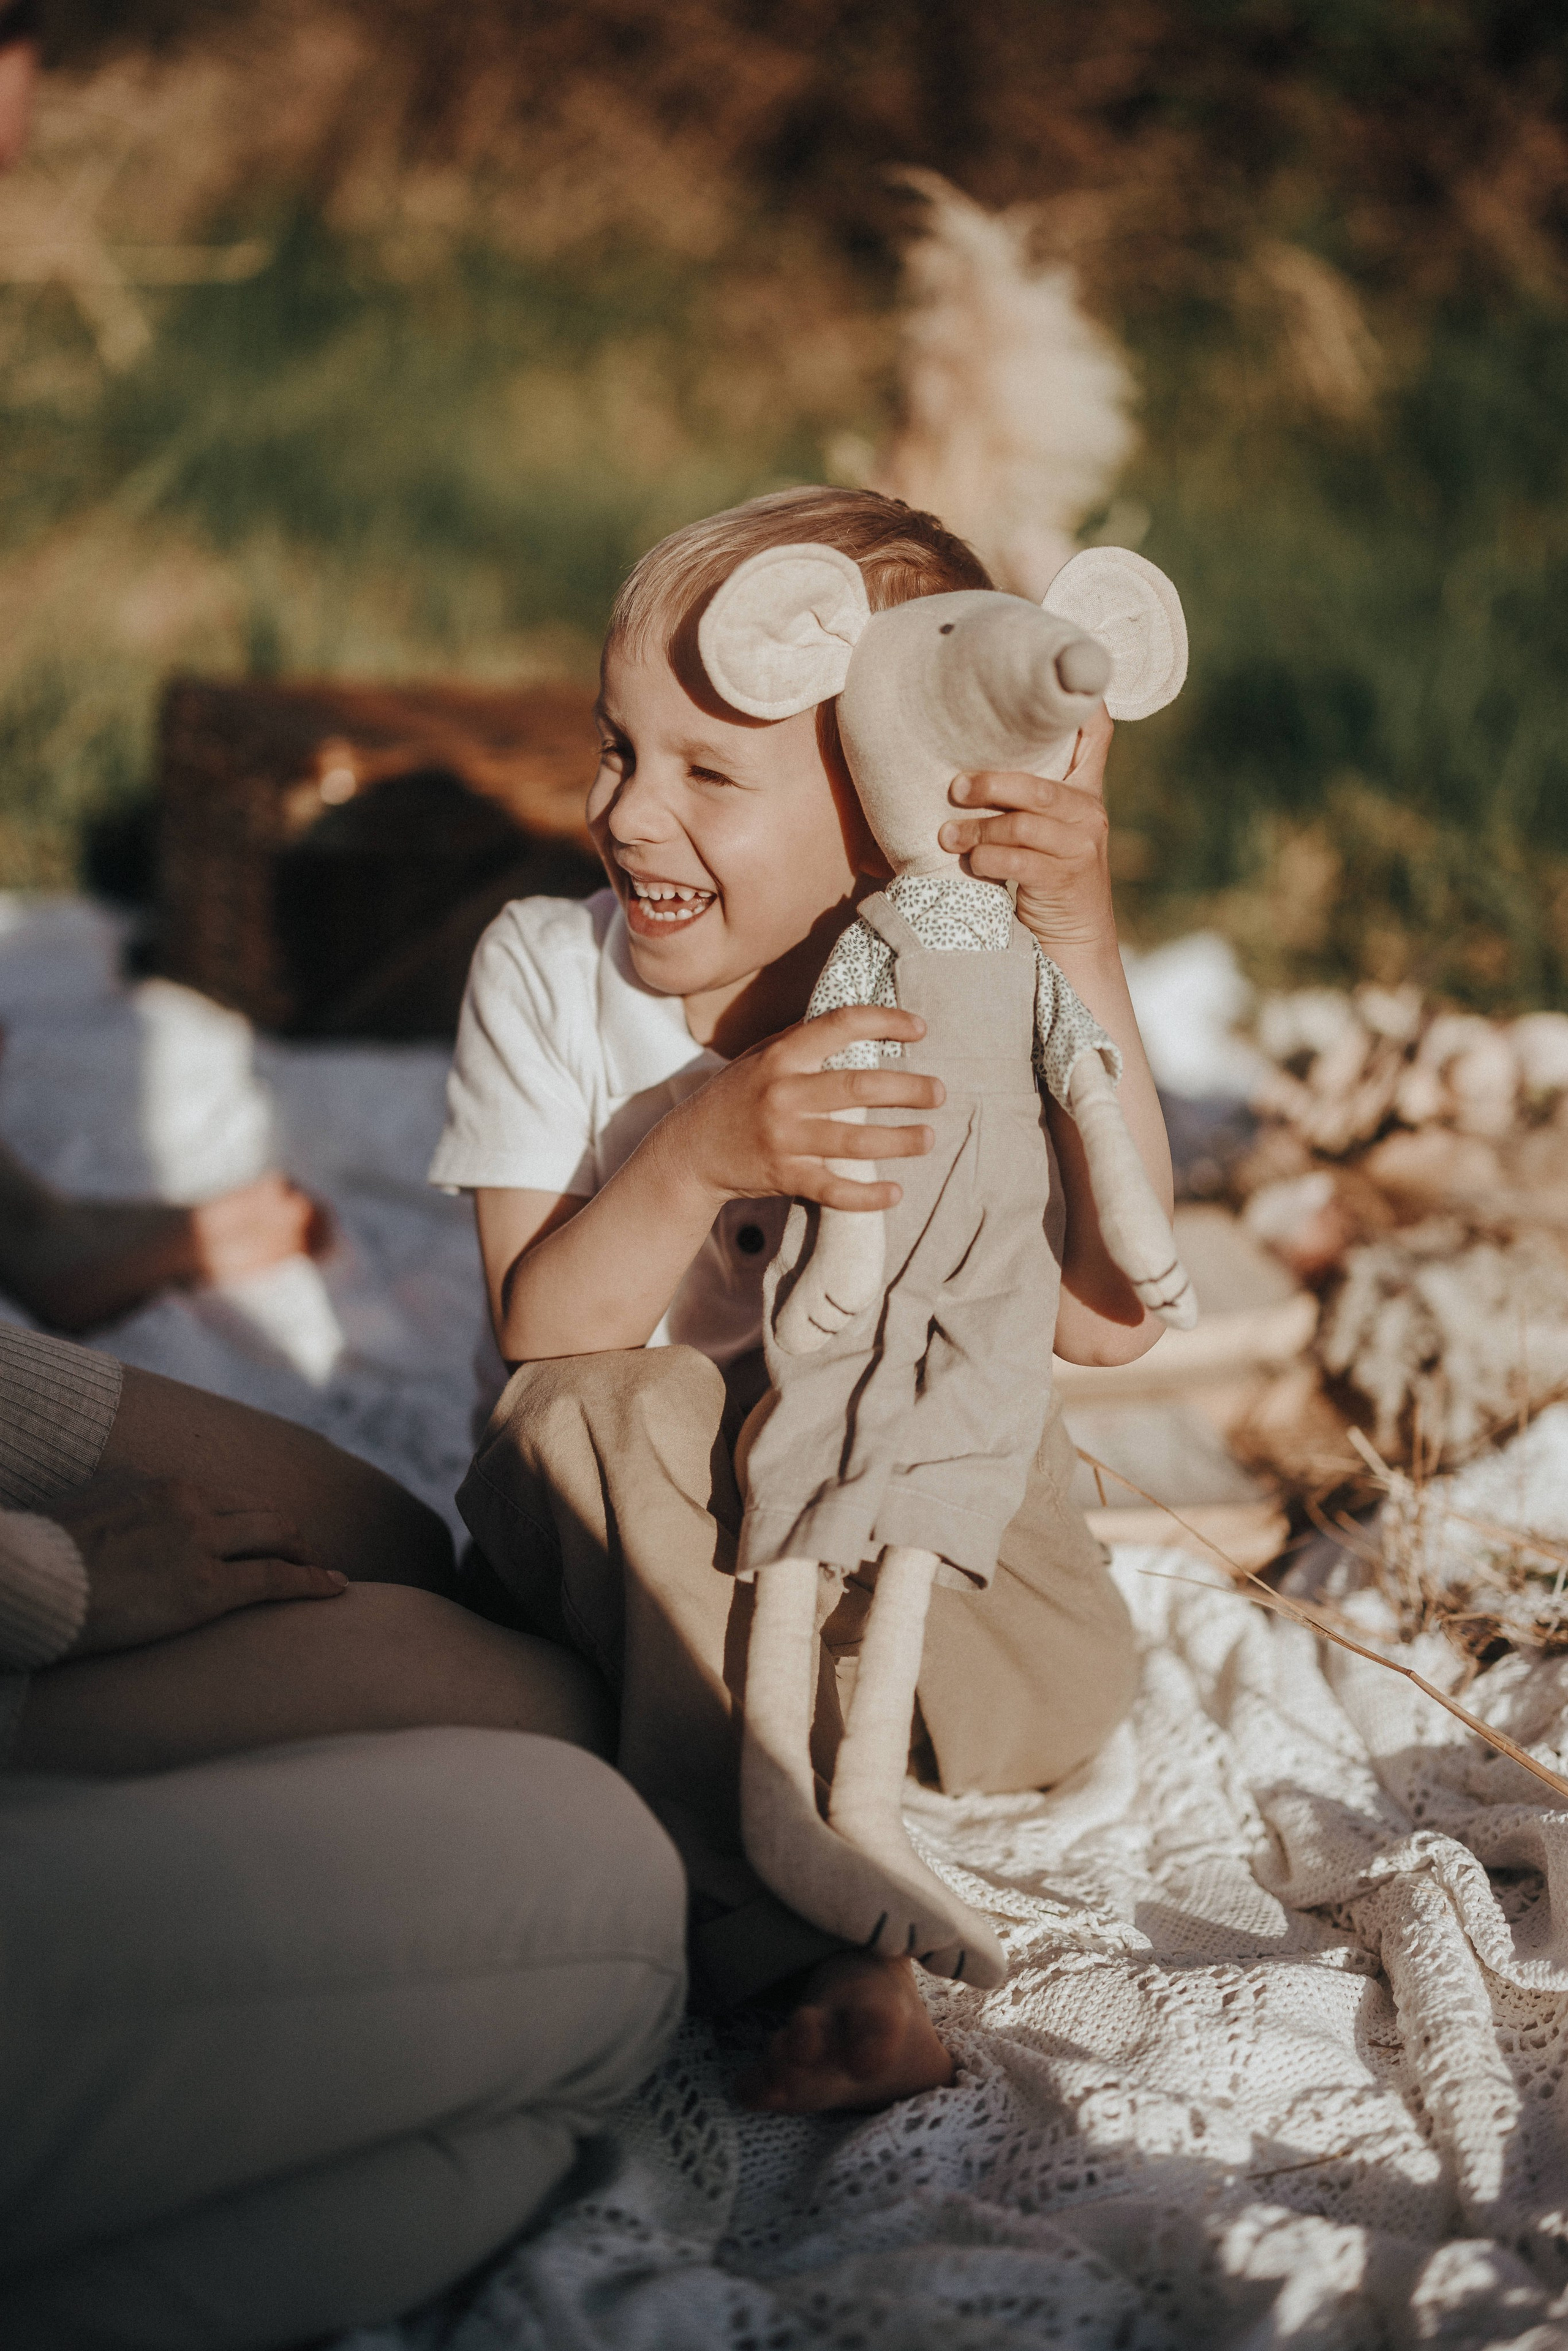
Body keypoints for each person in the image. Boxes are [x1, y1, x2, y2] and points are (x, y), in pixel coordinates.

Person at [434, 486, 1172, 2116]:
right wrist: (701, 1146)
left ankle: (758, 1733)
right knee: (590, 1412)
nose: (628, 813)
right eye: (620, 747)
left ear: (888, 806)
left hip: (932, 1591)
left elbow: (1113, 1320)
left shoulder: (963, 992)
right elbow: (540, 1333)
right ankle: (807, 1941)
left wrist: (1073, 936)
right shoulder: (550, 975)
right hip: (663, 1548)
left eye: (708, 772)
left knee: (1044, 1641)